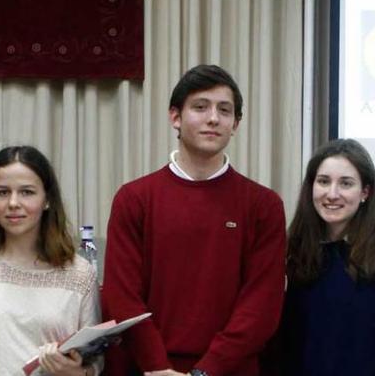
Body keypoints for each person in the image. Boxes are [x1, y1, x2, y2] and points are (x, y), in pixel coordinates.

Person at [101, 64, 286, 376]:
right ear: (175, 116)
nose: (213, 118)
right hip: (147, 370)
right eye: (200, 107)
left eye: (225, 110)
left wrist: (206, 372)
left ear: (235, 124)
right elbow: (122, 296)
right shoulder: (134, 198)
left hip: (229, 370)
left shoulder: (263, 205)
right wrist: (157, 367)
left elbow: (261, 306)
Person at [0, 145, 101, 376]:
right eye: (2, 192)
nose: (13, 203)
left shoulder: (81, 273)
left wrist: (74, 372)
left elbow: (95, 362)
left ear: (47, 200)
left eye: (27, 192)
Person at [278, 139, 375, 375]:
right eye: (323, 181)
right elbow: (287, 341)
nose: (332, 194)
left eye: (346, 183)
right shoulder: (296, 246)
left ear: (365, 192)